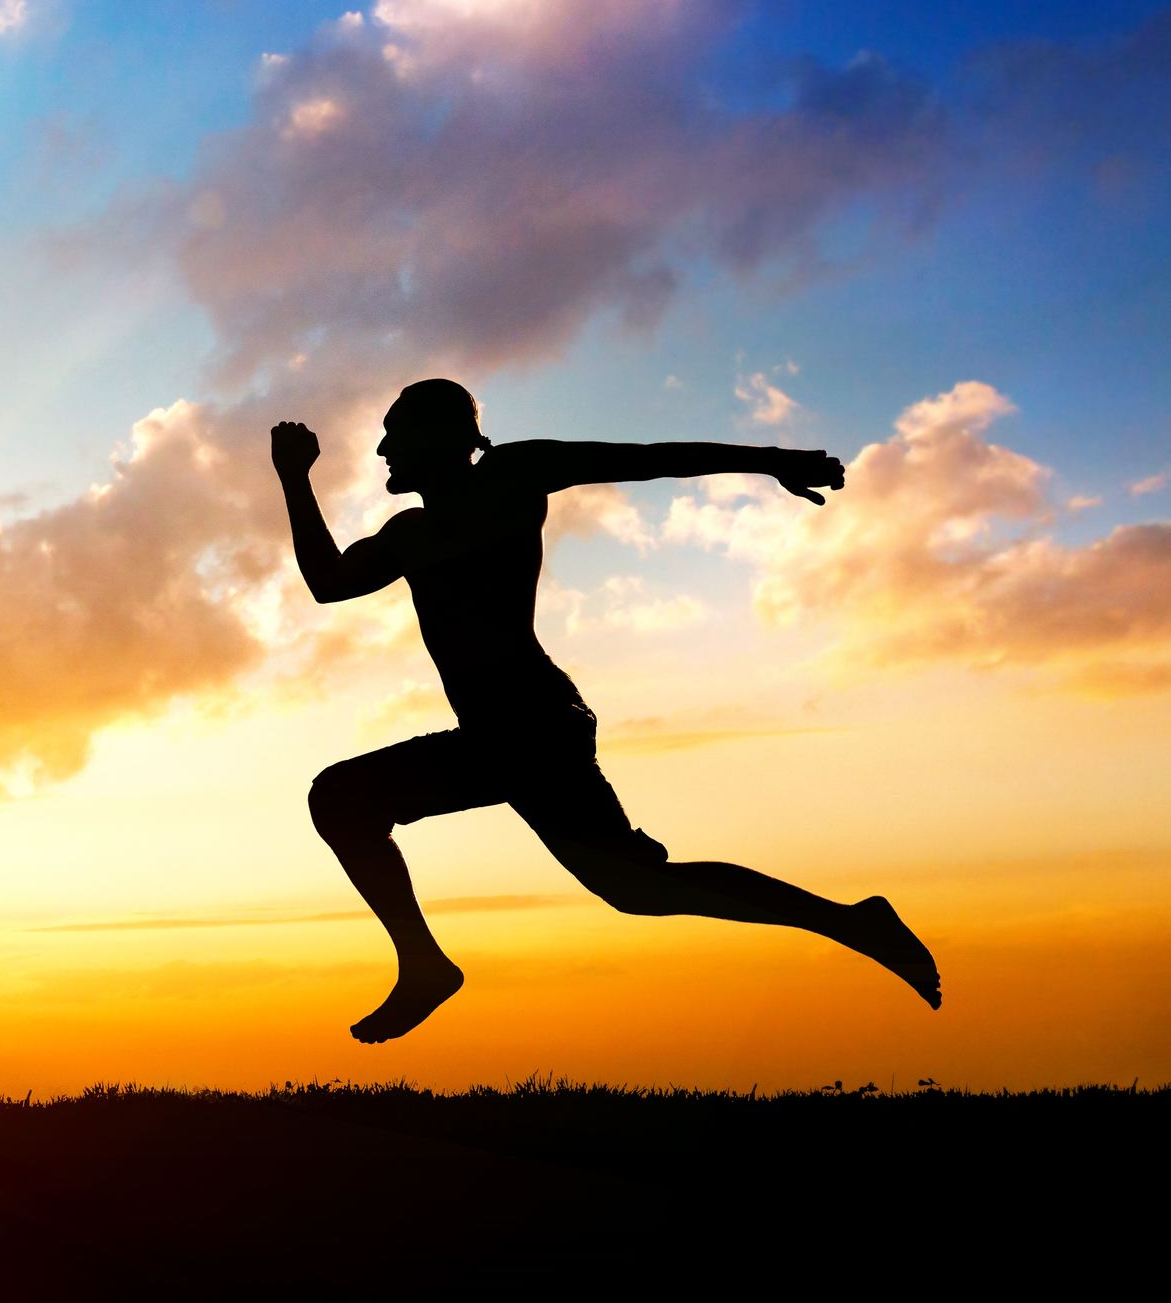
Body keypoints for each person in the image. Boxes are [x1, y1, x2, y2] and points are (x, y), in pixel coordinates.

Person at [276, 379, 941, 1044]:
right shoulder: (406, 535)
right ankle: (854, 923)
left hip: (535, 727)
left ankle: (853, 923)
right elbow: (329, 583)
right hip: (493, 738)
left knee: (631, 887)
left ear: (439, 437)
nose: (383, 448)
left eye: (396, 433)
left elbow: (646, 456)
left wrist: (773, 459)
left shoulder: (509, 475)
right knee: (630, 887)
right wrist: (294, 478)